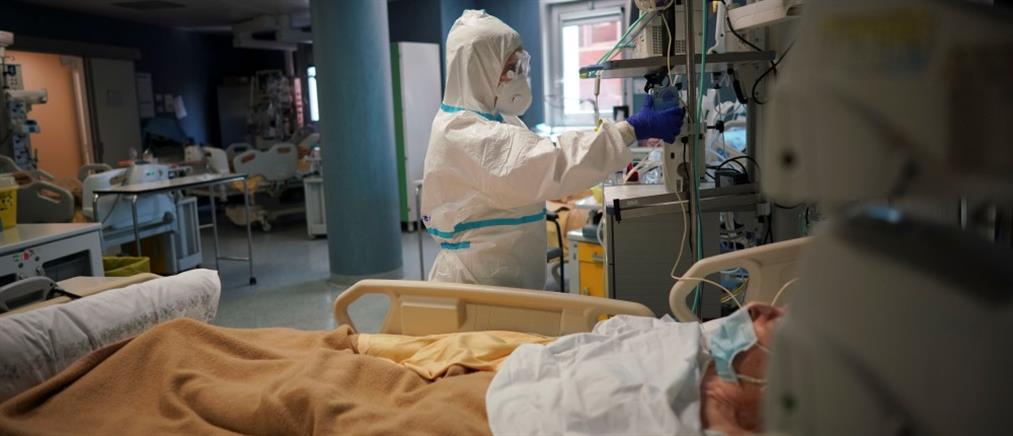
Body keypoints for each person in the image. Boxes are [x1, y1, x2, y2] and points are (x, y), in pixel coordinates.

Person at [422, 10, 684, 290]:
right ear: (479, 71)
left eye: (520, 65)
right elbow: (553, 163)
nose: (518, 76)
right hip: (476, 287)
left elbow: (542, 154)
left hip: (500, 280)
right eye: (511, 67)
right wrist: (630, 130)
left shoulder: (498, 120)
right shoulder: (463, 133)